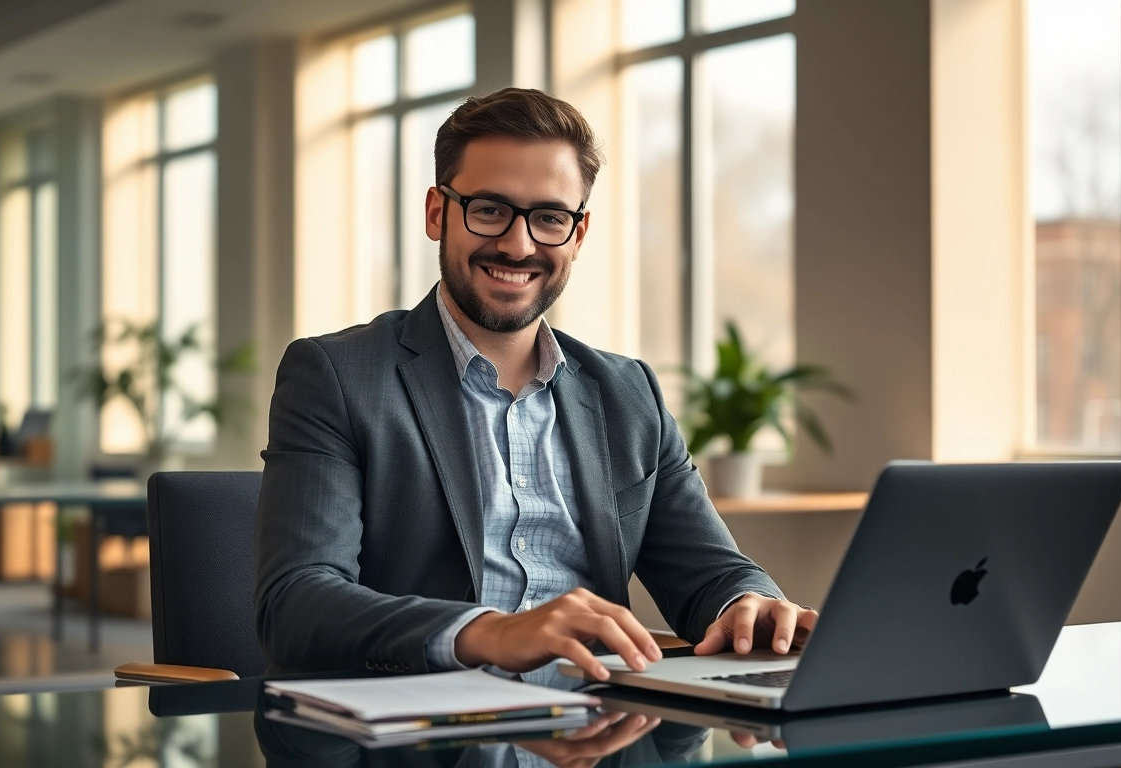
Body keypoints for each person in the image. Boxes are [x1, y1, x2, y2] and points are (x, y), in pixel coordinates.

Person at [255, 87, 816, 683]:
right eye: (489, 209)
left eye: (549, 217)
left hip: (600, 729)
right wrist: (488, 631)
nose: (518, 245)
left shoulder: (629, 393)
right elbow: (295, 603)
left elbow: (708, 573)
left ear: (577, 234)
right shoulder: (338, 376)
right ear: (437, 214)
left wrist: (744, 604)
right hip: (423, 731)